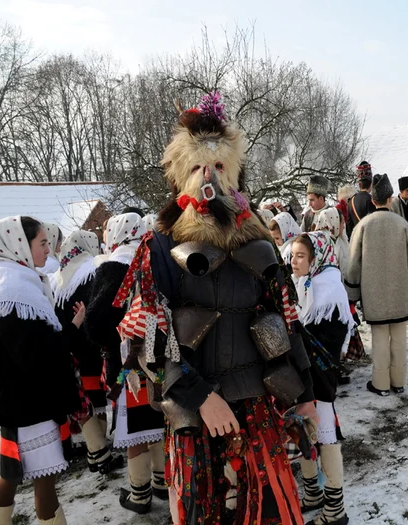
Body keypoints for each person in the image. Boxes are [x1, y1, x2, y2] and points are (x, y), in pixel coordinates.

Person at [112, 93, 317, 524]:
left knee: (271, 509)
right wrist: (201, 397)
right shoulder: (162, 245)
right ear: (181, 176)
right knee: (199, 510)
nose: (209, 176)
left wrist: (308, 395)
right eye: (198, 167)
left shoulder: (260, 243)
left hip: (256, 397)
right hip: (193, 404)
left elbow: (286, 321)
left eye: (220, 166)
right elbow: (152, 339)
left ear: (235, 173)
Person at [0, 216, 82, 525]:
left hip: (16, 404)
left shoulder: (10, 280)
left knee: (11, 475)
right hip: (31, 407)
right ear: (20, 243)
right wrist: (70, 333)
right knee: (44, 481)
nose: (49, 249)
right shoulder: (15, 290)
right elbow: (35, 357)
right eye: (43, 243)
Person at [83, 212, 166, 515]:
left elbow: (95, 322)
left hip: (127, 362)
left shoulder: (112, 267)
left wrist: (111, 337)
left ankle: (140, 494)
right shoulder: (155, 259)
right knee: (156, 419)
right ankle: (161, 482)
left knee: (135, 431)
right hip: (158, 359)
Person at [290, 232, 352, 525]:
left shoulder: (331, 291)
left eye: (301, 255)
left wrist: (295, 335)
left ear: (317, 258)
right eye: (292, 255)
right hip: (302, 379)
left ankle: (335, 509)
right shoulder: (304, 284)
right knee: (303, 433)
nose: (294, 261)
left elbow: (328, 343)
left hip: (319, 381)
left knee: (327, 438)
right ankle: (312, 493)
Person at [51, 230, 124, 475]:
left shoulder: (58, 278)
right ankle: (99, 451)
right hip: (92, 346)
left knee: (85, 401)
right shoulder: (92, 270)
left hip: (70, 348)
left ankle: (96, 452)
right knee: (95, 400)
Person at [345, 174, 408, 396]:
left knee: (379, 340)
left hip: (374, 295)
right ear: (390, 198)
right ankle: (398, 381)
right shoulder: (402, 225)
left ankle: (380, 384)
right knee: (399, 339)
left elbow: (353, 264)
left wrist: (351, 293)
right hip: (399, 293)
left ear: (373, 200)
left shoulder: (363, 226)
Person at [315, 207, 350, 275]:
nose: (343, 226)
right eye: (342, 223)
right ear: (334, 223)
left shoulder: (338, 240)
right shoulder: (321, 244)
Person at [346, 161, 376, 238]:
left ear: (359, 184)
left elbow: (349, 229)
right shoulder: (372, 200)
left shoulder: (351, 201)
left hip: (357, 241)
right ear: (371, 183)